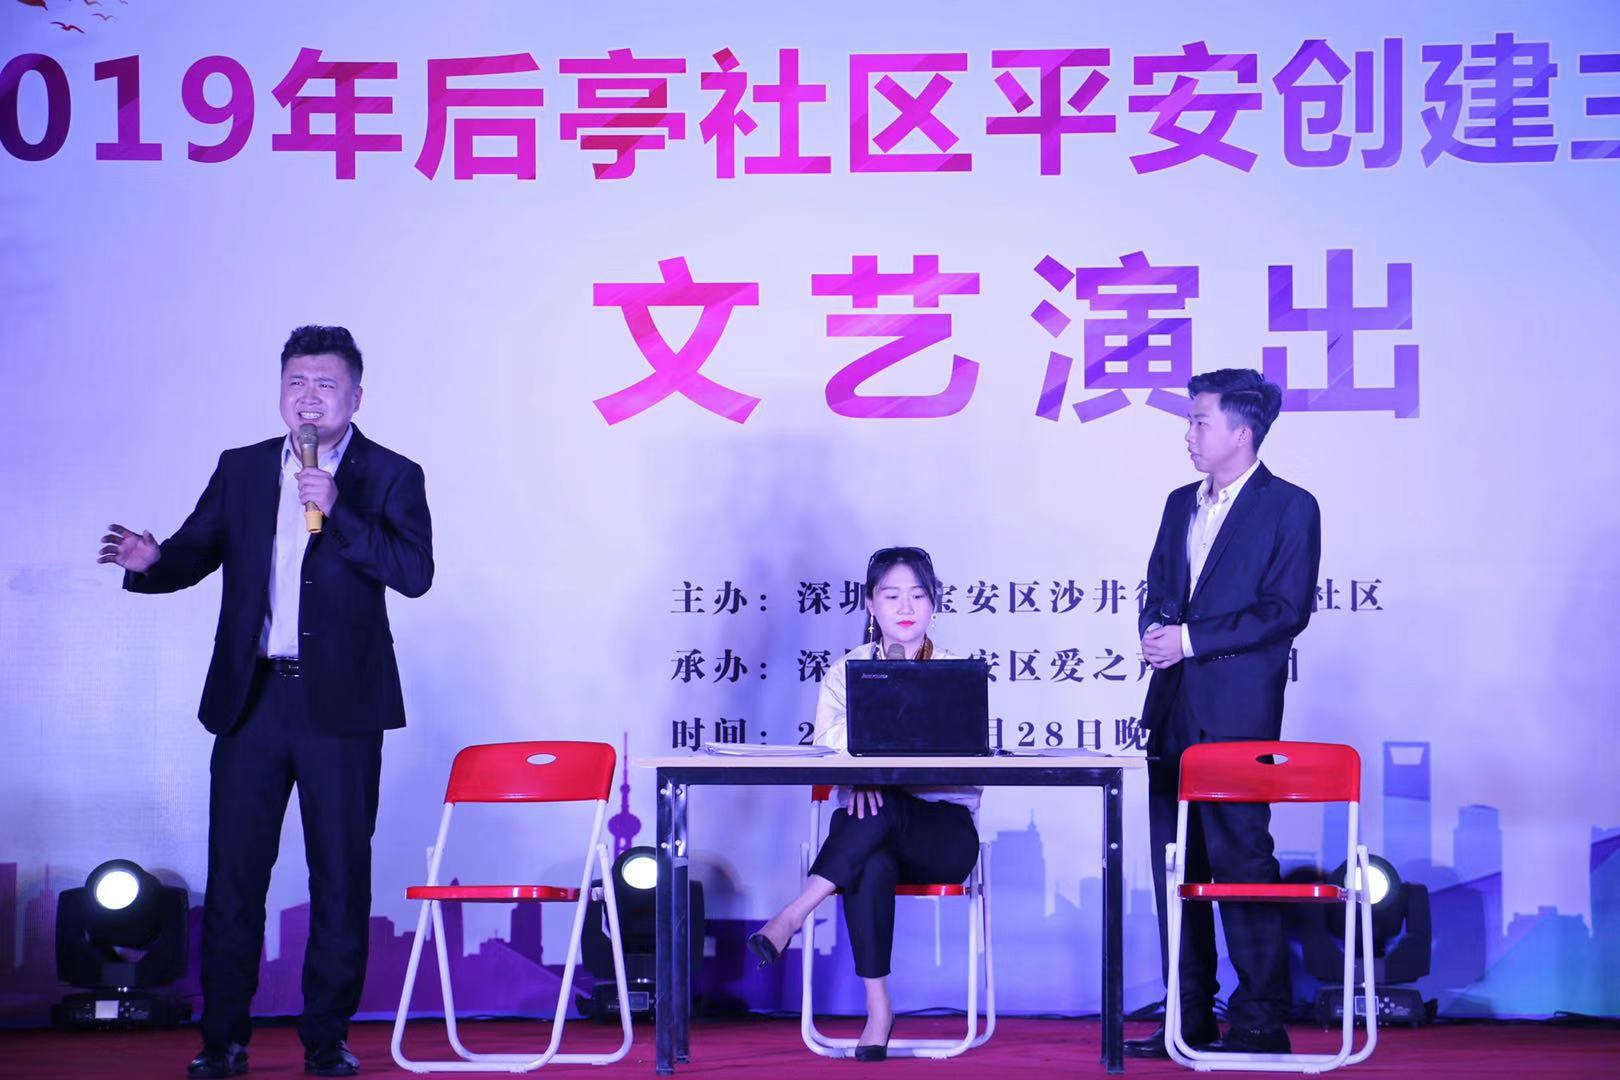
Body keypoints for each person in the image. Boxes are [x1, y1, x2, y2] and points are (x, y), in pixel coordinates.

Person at [98, 325, 433, 1079]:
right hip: (251, 700)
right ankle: (223, 1040)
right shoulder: (243, 468)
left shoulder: (391, 474)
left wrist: (339, 509)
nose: (308, 398)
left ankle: (326, 1040)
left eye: (325, 385)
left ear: (356, 396)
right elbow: (192, 551)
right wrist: (151, 563)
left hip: (340, 708)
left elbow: (414, 573)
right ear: (281, 390)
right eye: (295, 383)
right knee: (236, 877)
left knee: (339, 878)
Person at [1125, 369, 1321, 1059]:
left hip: (1237, 717)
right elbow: (1159, 585)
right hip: (1171, 709)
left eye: (1199, 421)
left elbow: (1285, 610)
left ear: (1242, 432)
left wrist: (1190, 640)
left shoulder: (1290, 507)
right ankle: (1188, 1018)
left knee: (1241, 863)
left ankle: (1261, 1019)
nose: (1188, 434)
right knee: (1175, 866)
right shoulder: (1179, 503)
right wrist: (1156, 630)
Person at [745, 546, 980, 1063]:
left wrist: (878, 774)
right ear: (871, 604)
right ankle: (879, 1009)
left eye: (917, 595)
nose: (905, 607)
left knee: (881, 805)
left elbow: (965, 758)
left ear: (935, 603)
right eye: (891, 596)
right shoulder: (846, 672)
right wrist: (867, 772)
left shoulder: (956, 673)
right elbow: (828, 746)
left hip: (943, 836)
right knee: (871, 859)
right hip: (871, 834)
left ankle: (792, 914)